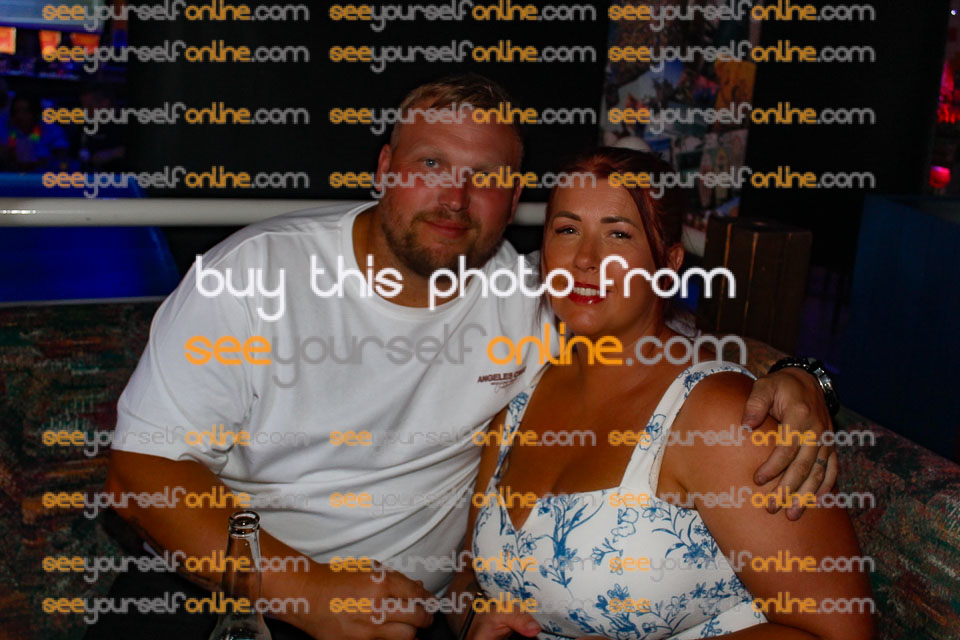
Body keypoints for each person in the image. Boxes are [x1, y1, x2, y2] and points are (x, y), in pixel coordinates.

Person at [105, 74, 839, 640]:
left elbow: (657, 345)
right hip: (223, 589)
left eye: (485, 178)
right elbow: (139, 474)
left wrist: (802, 377)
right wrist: (309, 594)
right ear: (385, 169)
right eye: (431, 163)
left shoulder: (531, 298)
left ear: (512, 199)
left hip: (406, 620)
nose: (455, 198)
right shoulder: (253, 276)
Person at [448, 148, 872, 640]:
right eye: (567, 229)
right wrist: (472, 621)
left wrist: (808, 377)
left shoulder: (722, 417)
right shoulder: (519, 403)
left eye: (618, 234)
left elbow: (842, 631)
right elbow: (467, 577)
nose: (585, 259)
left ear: (668, 263)